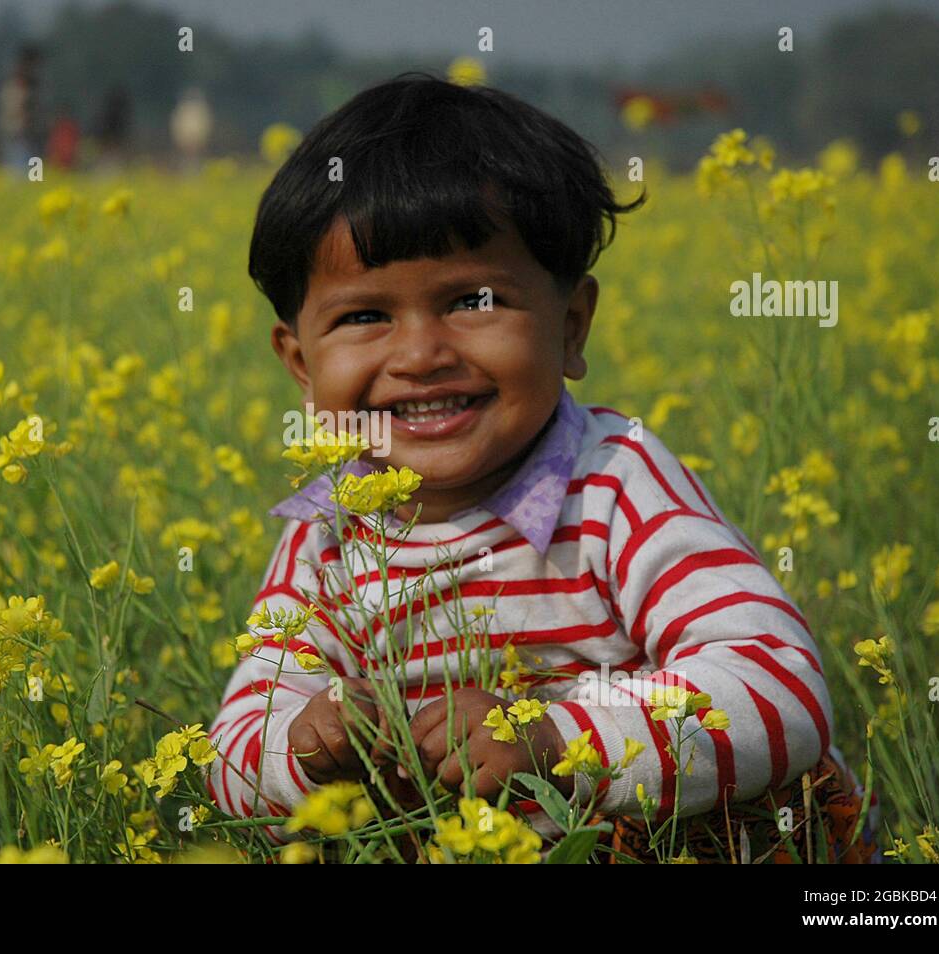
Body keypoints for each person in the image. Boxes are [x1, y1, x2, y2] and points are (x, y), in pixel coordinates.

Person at [207, 72, 881, 863]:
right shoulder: (327, 534)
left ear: (571, 326)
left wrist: (557, 739)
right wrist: (305, 748)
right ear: (299, 364)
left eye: (474, 301)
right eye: (365, 316)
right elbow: (234, 748)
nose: (422, 355)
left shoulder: (614, 482)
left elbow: (781, 691)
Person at [0, 45, 44, 171]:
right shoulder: (18, 83)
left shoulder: (30, 84)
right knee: (20, 173)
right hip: (19, 136)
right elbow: (15, 109)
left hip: (31, 137)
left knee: (33, 176)